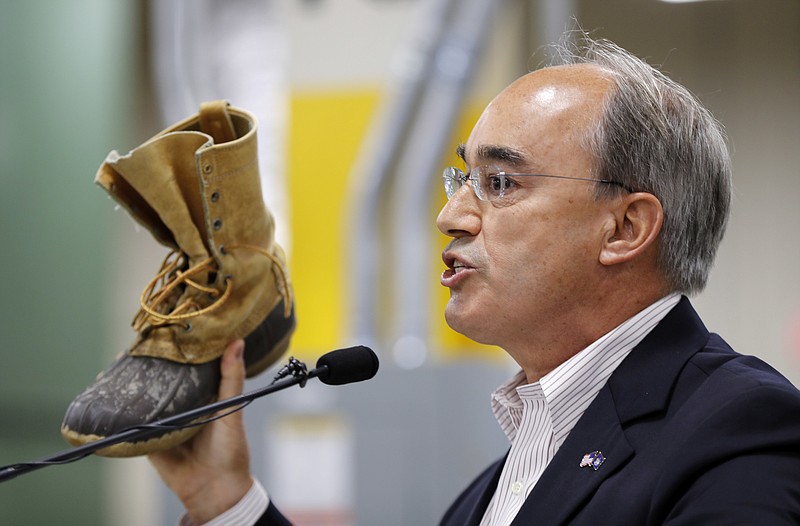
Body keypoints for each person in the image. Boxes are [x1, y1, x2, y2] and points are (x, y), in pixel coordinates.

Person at [149, 35, 800, 525]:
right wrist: (224, 500)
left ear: (626, 228)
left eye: (500, 183)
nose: (449, 215)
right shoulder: (497, 485)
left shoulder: (737, 428)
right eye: (462, 180)